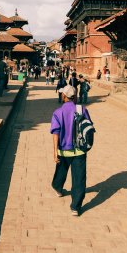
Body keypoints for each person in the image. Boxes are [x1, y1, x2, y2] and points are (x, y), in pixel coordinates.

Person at [50, 84, 92, 217]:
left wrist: (55, 151)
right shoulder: (82, 110)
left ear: (64, 96)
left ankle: (57, 188)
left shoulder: (58, 112)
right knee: (79, 178)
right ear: (75, 97)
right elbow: (89, 127)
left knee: (61, 171)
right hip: (79, 150)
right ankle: (75, 206)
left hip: (63, 150)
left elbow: (55, 133)